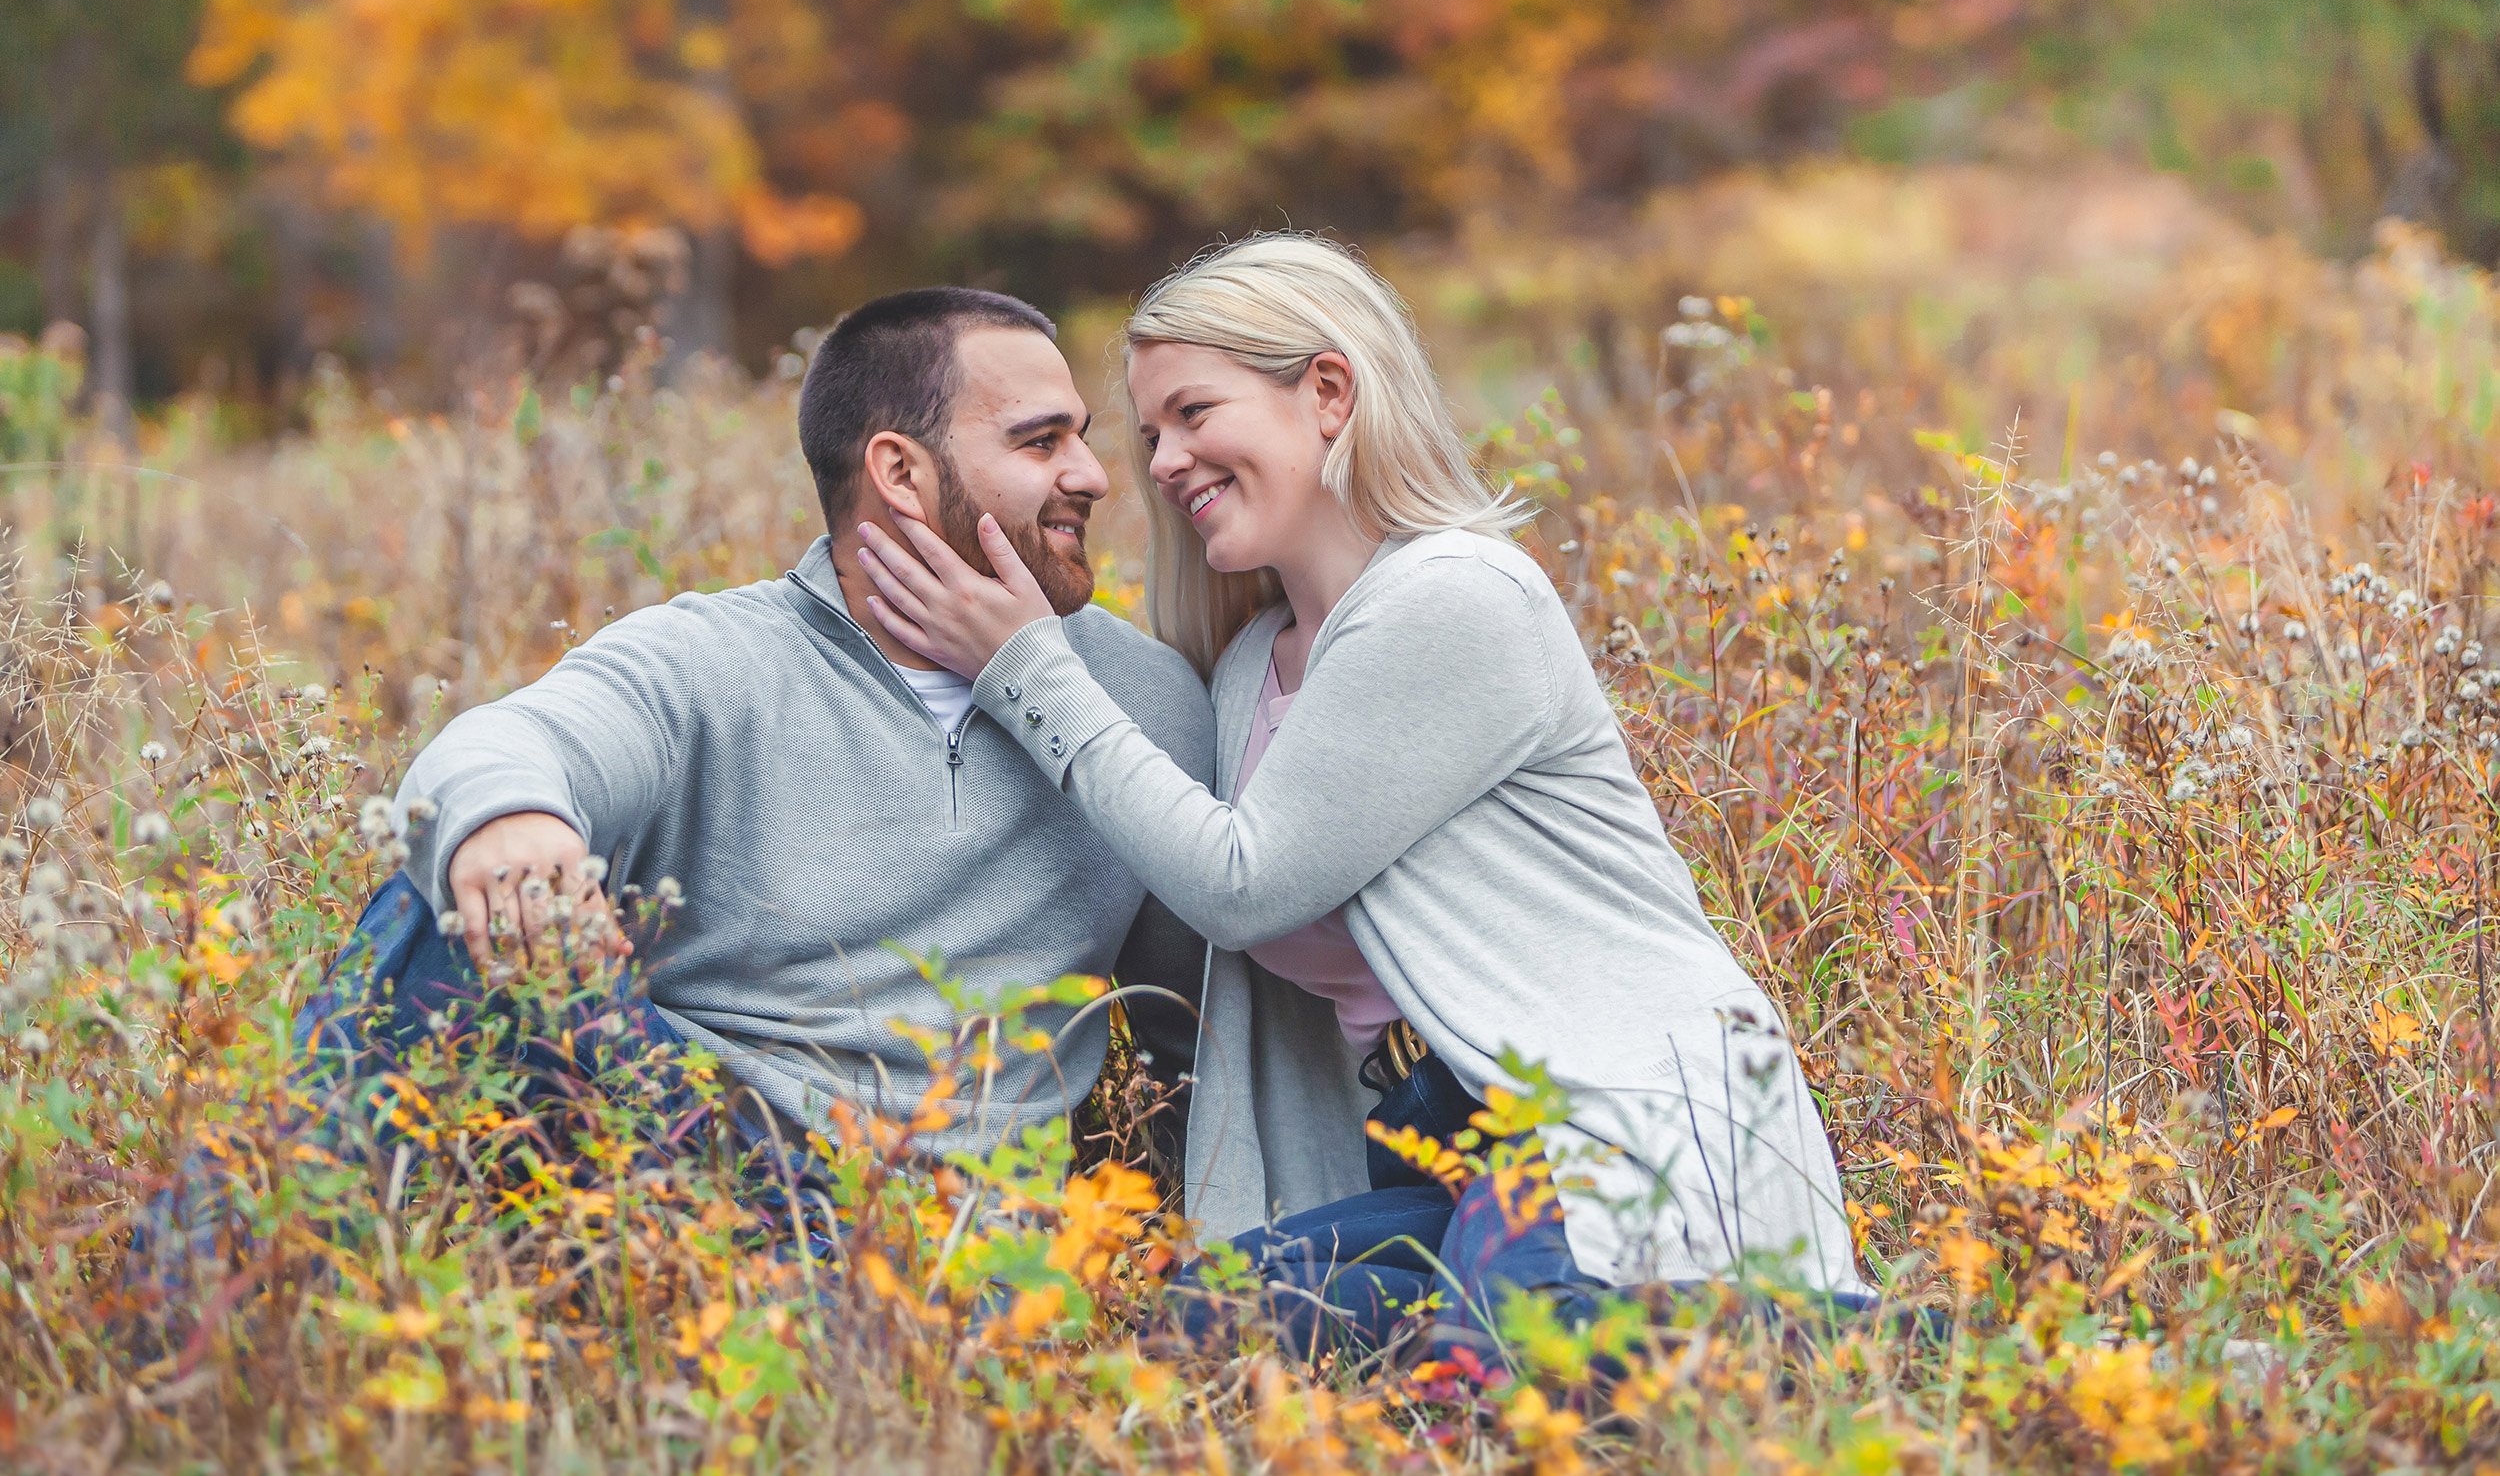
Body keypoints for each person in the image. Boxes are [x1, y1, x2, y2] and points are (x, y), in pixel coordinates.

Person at [854, 234, 1871, 1356]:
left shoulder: (1456, 598)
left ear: (1328, 391)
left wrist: (1028, 668)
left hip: (1600, 1124)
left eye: (1195, 411)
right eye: (1150, 434)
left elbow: (1242, 885)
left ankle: (1858, 1348)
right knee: (1223, 1328)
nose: (1165, 461)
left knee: (1518, 1356)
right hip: (1433, 1148)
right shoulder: (1249, 671)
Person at [215, 289, 1216, 1245]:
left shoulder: (1142, 700)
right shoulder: (715, 660)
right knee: (430, 910)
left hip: (961, 1249)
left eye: (1081, 436)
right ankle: (214, 1331)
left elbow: (1197, 1037)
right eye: (1042, 441)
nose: (1092, 472)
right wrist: (509, 820)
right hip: (702, 1179)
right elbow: (503, 742)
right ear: (900, 473)